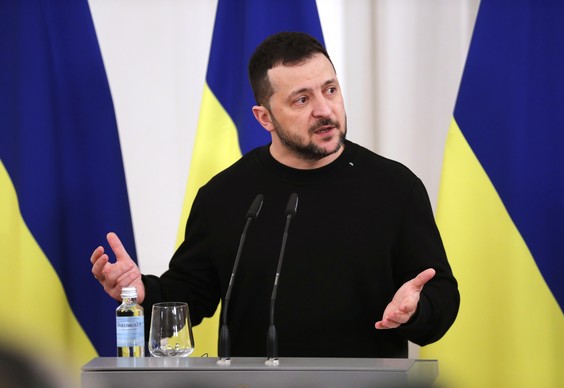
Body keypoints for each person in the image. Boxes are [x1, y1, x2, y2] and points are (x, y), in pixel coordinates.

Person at [91, 31, 459, 358]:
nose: (324, 110)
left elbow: (439, 295)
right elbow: (190, 295)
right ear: (264, 118)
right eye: (301, 100)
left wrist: (417, 310)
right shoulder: (224, 195)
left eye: (330, 89)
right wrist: (141, 294)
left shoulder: (395, 187)